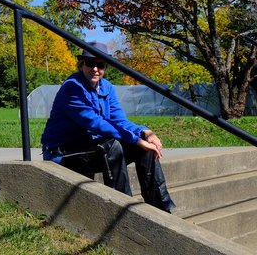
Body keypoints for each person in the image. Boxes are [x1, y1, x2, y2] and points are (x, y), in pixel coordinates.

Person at [41, 42, 176, 212]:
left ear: (105, 67)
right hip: (64, 152)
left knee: (144, 147)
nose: (95, 69)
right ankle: (125, 209)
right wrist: (135, 140)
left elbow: (119, 120)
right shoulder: (72, 88)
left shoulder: (107, 87)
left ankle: (161, 208)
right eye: (90, 63)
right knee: (113, 145)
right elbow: (96, 123)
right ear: (81, 64)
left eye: (100, 64)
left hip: (92, 148)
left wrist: (145, 132)